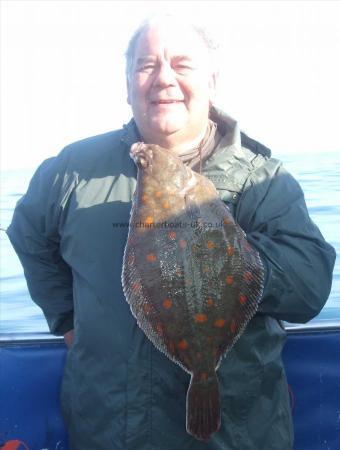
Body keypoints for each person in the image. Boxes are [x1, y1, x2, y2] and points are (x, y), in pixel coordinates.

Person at [7, 16, 336, 450]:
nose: (164, 78)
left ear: (212, 81)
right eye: (146, 65)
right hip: (107, 430)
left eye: (182, 64)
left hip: (235, 434)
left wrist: (226, 259)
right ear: (127, 85)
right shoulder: (72, 169)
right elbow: (29, 235)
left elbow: (309, 287)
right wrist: (66, 319)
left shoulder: (263, 179)